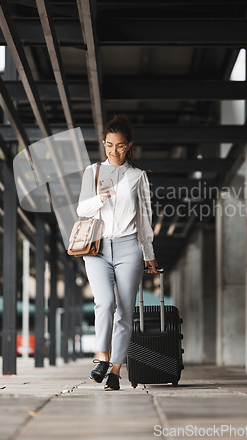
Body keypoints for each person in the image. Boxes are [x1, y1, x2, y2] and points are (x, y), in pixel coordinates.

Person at [77, 114, 158, 391]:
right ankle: (101, 355)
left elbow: (145, 218)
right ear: (103, 143)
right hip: (97, 247)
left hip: (128, 248)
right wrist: (100, 197)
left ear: (129, 145)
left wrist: (149, 253)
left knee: (124, 311)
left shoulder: (138, 177)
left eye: (120, 146)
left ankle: (115, 370)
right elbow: (80, 210)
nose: (114, 151)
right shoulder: (93, 172)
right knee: (104, 302)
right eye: (109, 145)